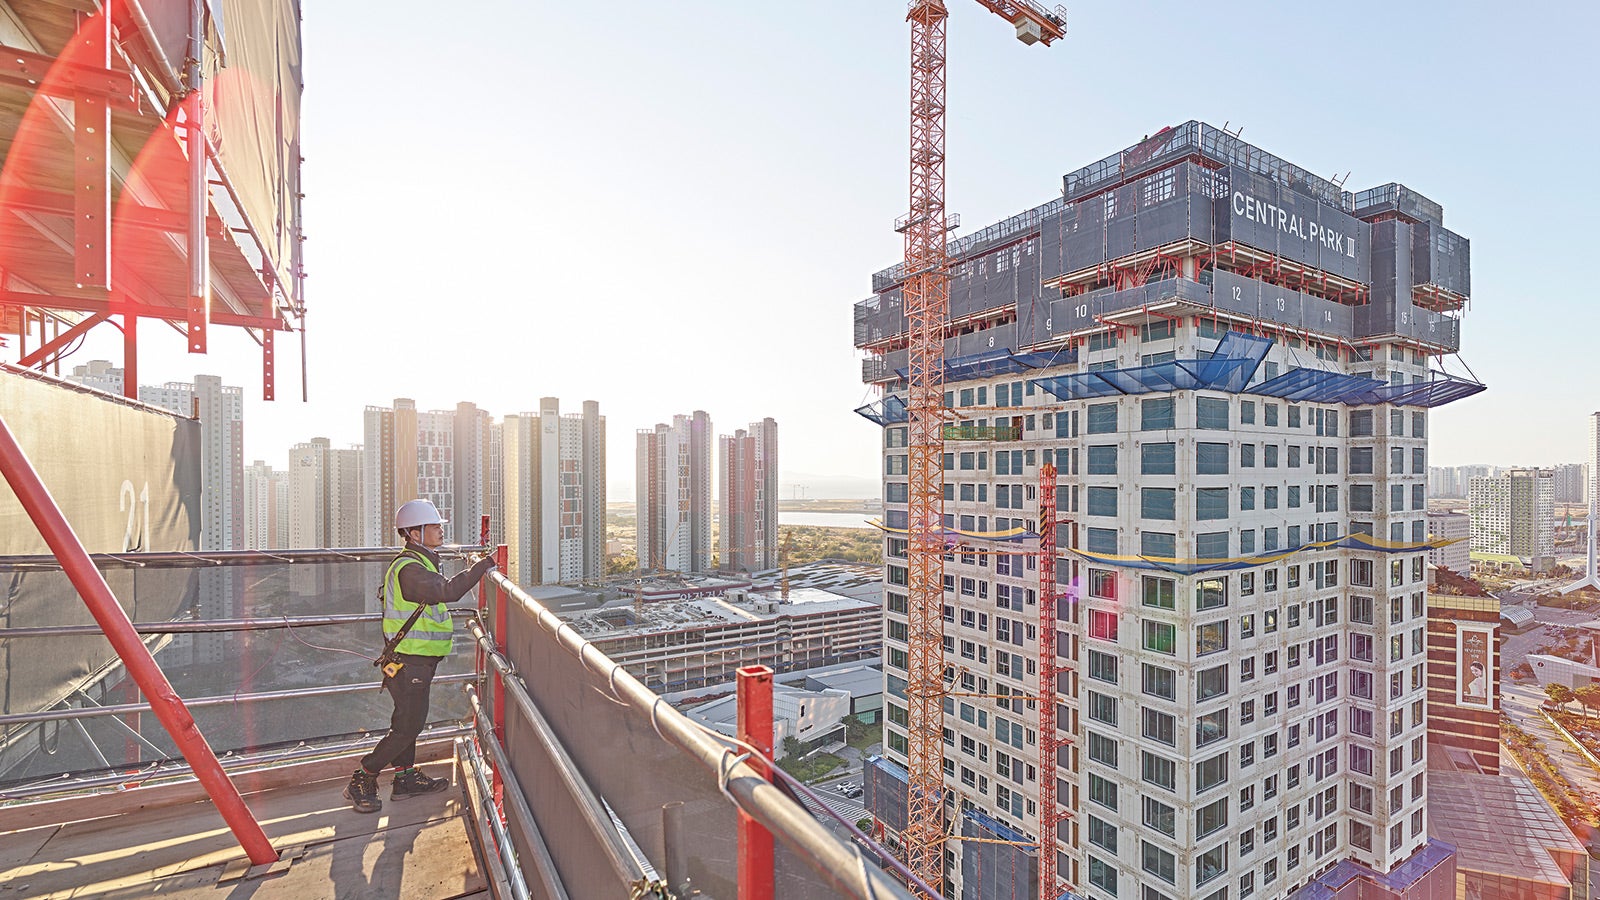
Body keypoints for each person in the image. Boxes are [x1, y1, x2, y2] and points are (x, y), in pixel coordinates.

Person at [344, 499, 496, 814]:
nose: (441, 530)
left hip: (414, 659)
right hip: (409, 660)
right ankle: (363, 777)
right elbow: (450, 591)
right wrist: (484, 564)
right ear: (414, 533)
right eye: (434, 526)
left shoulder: (420, 562)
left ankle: (405, 778)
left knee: (407, 720)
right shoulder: (410, 569)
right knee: (408, 726)